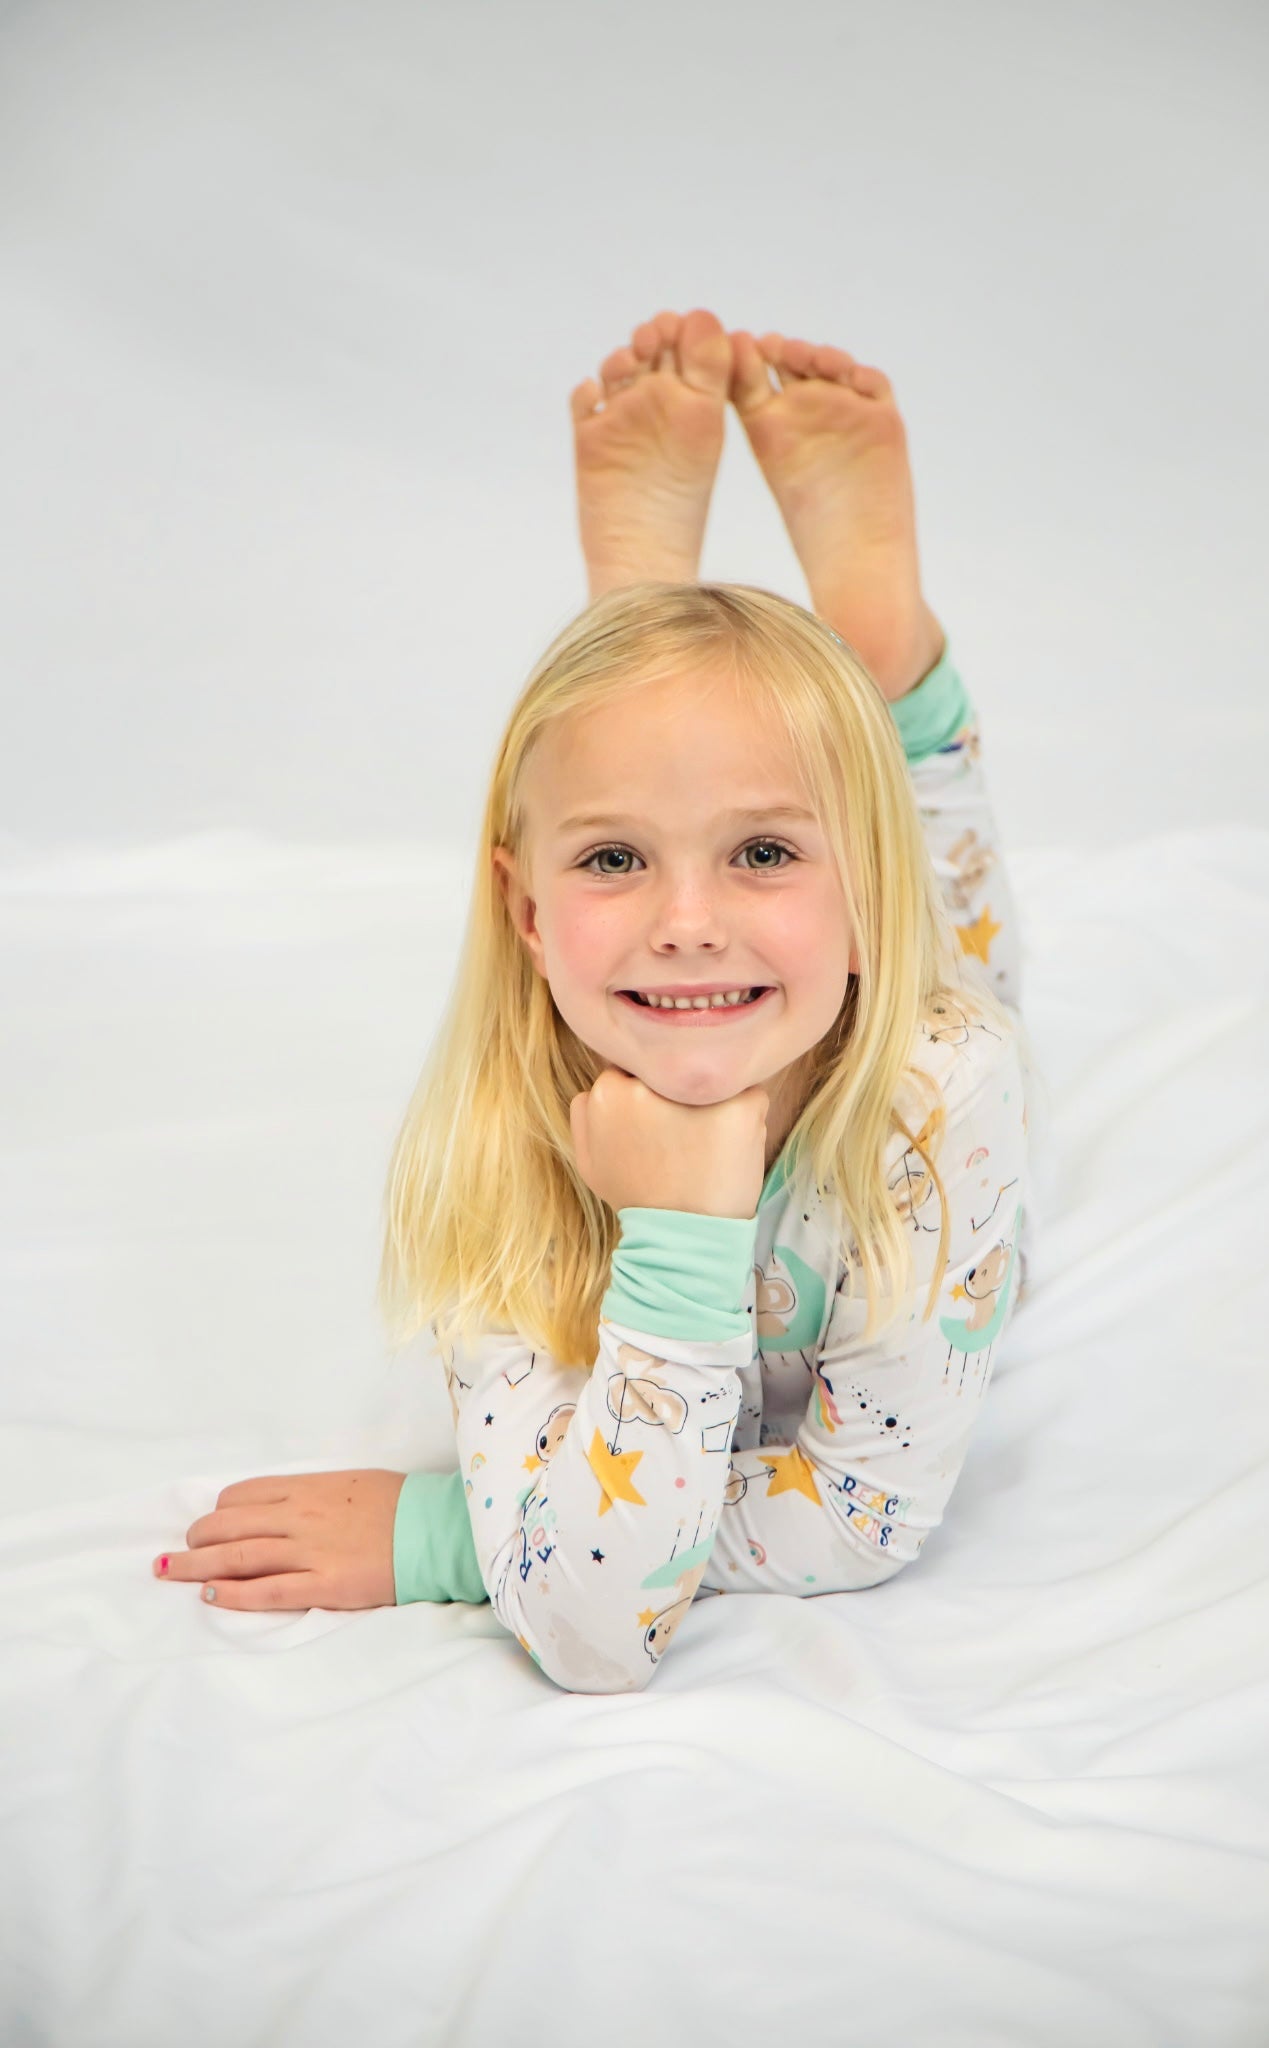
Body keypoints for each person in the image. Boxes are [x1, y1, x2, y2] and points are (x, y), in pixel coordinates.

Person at [152, 309, 1040, 1695]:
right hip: (761, 987)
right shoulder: (503, 1120)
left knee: (973, 969)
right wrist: (683, 1240)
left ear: (866, 896)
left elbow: (861, 1520)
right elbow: (600, 1644)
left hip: (896, 1037)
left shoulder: (949, 1092)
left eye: (761, 852)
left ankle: (870, 656)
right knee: (663, 761)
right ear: (522, 909)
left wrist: (470, 1533)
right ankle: (653, 654)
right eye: (613, 858)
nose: (687, 926)